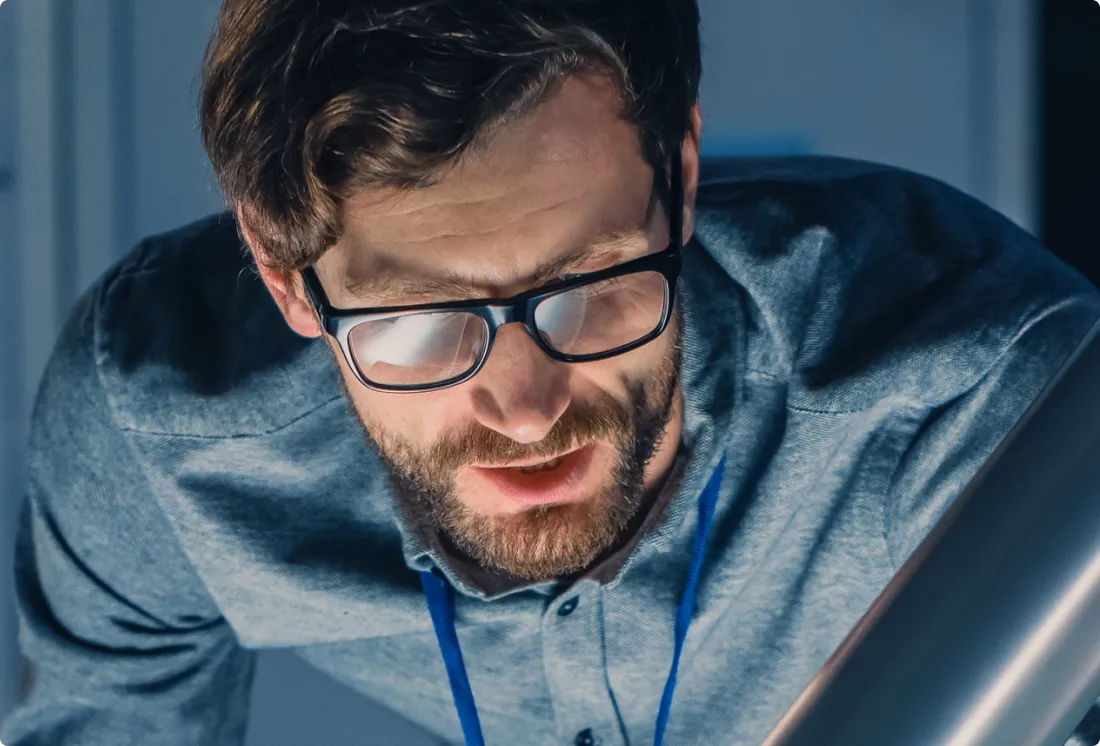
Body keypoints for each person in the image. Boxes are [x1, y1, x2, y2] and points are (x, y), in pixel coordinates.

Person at [3, 1, 1099, 745]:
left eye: (587, 285)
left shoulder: (982, 395)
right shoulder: (159, 425)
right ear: (287, 280)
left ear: (675, 176)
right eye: (424, 324)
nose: (527, 411)